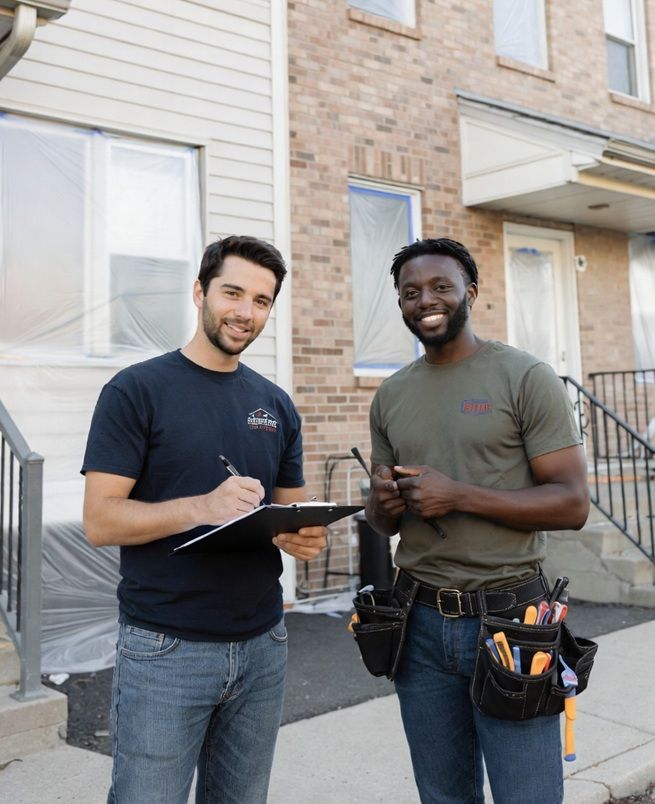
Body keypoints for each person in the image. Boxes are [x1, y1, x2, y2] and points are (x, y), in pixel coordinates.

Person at [82, 235, 327, 804]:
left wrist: (304, 538)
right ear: (199, 292)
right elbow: (100, 521)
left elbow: (291, 512)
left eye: (261, 300)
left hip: (264, 643)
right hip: (165, 648)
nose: (246, 311)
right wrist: (202, 507)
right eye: (233, 293)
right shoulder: (136, 390)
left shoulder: (276, 404)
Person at [365, 237, 589, 804]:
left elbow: (571, 503)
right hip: (416, 620)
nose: (425, 300)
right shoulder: (391, 395)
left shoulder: (524, 376)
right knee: (443, 795)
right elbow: (382, 522)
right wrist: (383, 504)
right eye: (410, 292)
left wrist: (457, 495)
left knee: (528, 795)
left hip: (510, 620)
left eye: (440, 286)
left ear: (470, 291)